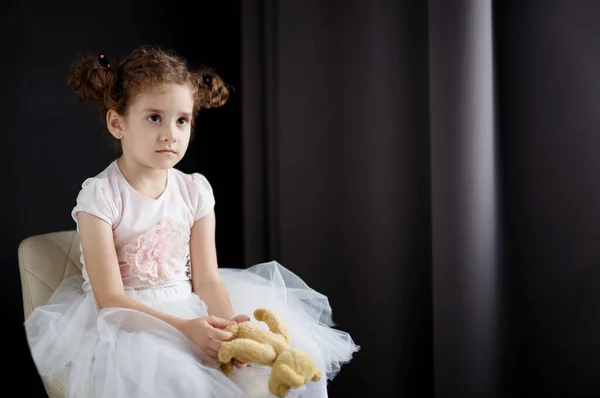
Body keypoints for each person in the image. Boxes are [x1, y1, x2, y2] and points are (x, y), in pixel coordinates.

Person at [23, 45, 359, 398]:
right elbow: (110, 298)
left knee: (289, 365)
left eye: (181, 120)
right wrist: (185, 329)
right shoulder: (101, 196)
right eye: (155, 117)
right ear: (117, 122)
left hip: (191, 307)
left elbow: (208, 279)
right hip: (130, 325)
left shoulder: (194, 190)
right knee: (182, 383)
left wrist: (228, 327)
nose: (171, 133)